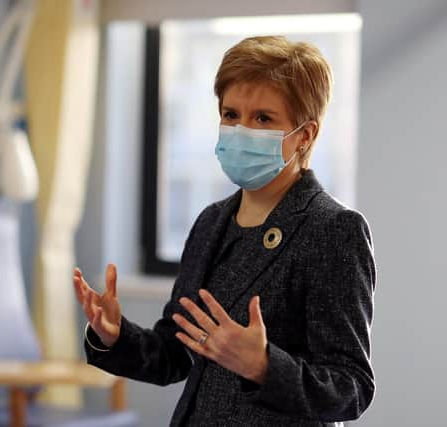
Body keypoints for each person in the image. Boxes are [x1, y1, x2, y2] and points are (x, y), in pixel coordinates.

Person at [73, 35, 375, 426]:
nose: (240, 130)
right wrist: (115, 335)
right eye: (231, 114)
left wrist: (265, 366)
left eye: (263, 118)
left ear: (306, 134)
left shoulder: (334, 230)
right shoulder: (211, 223)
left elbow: (351, 387)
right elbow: (175, 352)